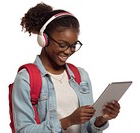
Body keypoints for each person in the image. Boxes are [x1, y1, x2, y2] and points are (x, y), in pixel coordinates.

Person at [12, 2, 120, 133]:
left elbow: (89, 128)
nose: (68, 51)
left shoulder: (81, 76)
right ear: (44, 40)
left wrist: (101, 120)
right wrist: (68, 121)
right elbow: (23, 130)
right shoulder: (26, 78)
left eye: (73, 46)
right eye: (62, 45)